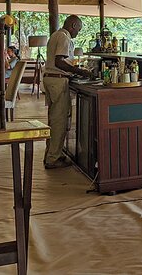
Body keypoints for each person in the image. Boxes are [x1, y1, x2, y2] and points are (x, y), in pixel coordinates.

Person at [42, 15, 93, 169]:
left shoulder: (56, 35)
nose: (78, 33)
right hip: (58, 81)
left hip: (50, 80)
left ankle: (51, 153)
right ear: (73, 25)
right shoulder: (64, 37)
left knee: (53, 119)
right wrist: (79, 71)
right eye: (78, 29)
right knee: (59, 121)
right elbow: (59, 61)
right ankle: (53, 158)